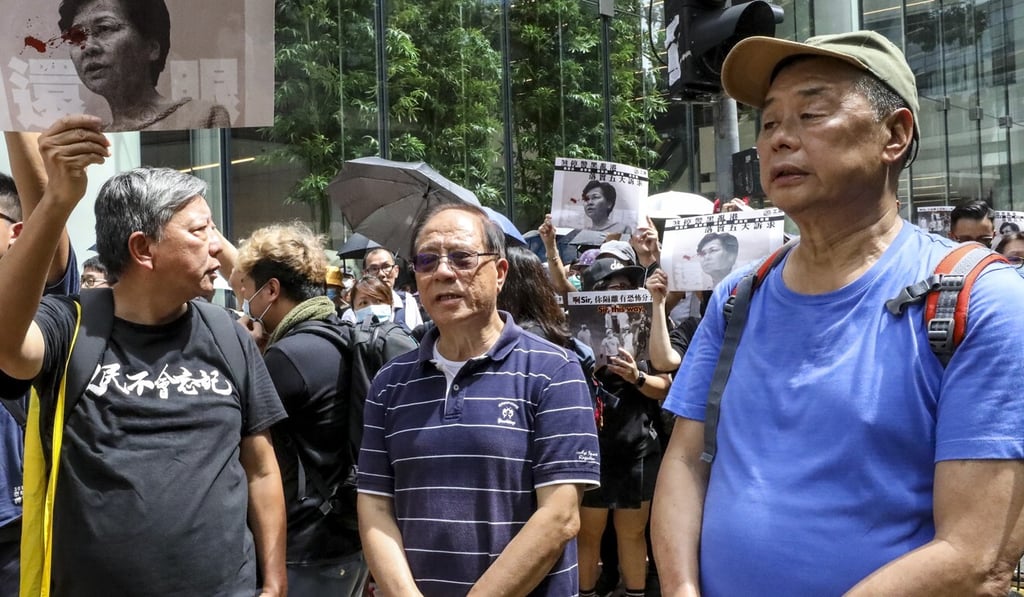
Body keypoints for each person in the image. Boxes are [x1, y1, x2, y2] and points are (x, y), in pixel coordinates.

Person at [652, 31, 1024, 596]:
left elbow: (976, 555)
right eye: (770, 122)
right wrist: (680, 589)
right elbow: (685, 461)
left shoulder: (980, 300)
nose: (779, 140)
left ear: (894, 135)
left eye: (811, 113)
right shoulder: (736, 298)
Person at [0, 115, 288, 595]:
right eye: (200, 230)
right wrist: (56, 200)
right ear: (143, 249)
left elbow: (260, 468)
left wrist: (275, 581)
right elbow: (7, 346)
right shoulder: (70, 325)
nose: (218, 246)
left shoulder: (228, 334)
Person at [357, 203, 601, 596]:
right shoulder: (390, 382)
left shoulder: (554, 370)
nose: (443, 271)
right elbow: (374, 506)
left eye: (461, 258)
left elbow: (559, 517)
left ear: (500, 272)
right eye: (426, 260)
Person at [233, 223, 367, 597]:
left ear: (271, 290)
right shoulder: (332, 334)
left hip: (306, 548)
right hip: (345, 539)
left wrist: (245, 354)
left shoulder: (288, 357)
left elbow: (244, 431)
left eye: (246, 291)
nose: (245, 302)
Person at [0, 132, 82, 597]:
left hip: (15, 528)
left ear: (17, 232)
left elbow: (47, 220)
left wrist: (13, 113)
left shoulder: (37, 305)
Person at [577, 257, 670, 597]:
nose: (625, 294)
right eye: (615, 288)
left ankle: (634, 592)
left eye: (629, 287)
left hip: (637, 449)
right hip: (590, 450)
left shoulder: (648, 327)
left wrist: (637, 376)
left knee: (632, 534)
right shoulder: (574, 335)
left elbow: (665, 386)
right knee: (588, 535)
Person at [58, 0, 231, 131]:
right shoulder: (91, 138)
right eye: (76, 37)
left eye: (104, 28)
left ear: (152, 47)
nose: (87, 47)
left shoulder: (201, 116)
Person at [342, 247, 423, 331]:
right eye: (374, 269)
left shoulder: (408, 302)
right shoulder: (351, 315)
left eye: (386, 266)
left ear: (396, 271)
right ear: (365, 274)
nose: (381, 274)